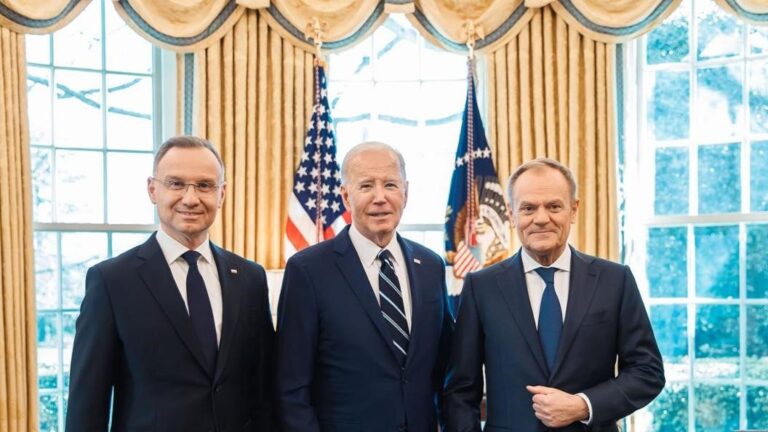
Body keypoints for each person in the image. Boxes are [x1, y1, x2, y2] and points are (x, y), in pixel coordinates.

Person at [66, 136, 275, 431]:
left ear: (222, 194)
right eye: (176, 184)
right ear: (153, 189)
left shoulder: (251, 278)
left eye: (204, 186)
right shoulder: (111, 282)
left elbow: (264, 387)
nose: (190, 199)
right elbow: (87, 405)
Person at [444, 158, 664, 432]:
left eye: (553, 206)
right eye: (528, 208)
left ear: (573, 210)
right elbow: (460, 390)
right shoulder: (481, 287)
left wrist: (584, 405)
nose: (541, 218)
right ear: (512, 216)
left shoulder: (615, 281)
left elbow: (648, 372)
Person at [276, 142, 453, 432]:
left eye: (390, 185)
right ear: (346, 196)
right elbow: (291, 386)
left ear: (406, 193)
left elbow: (445, 368)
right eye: (366, 186)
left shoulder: (430, 266)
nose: (380, 197)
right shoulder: (307, 271)